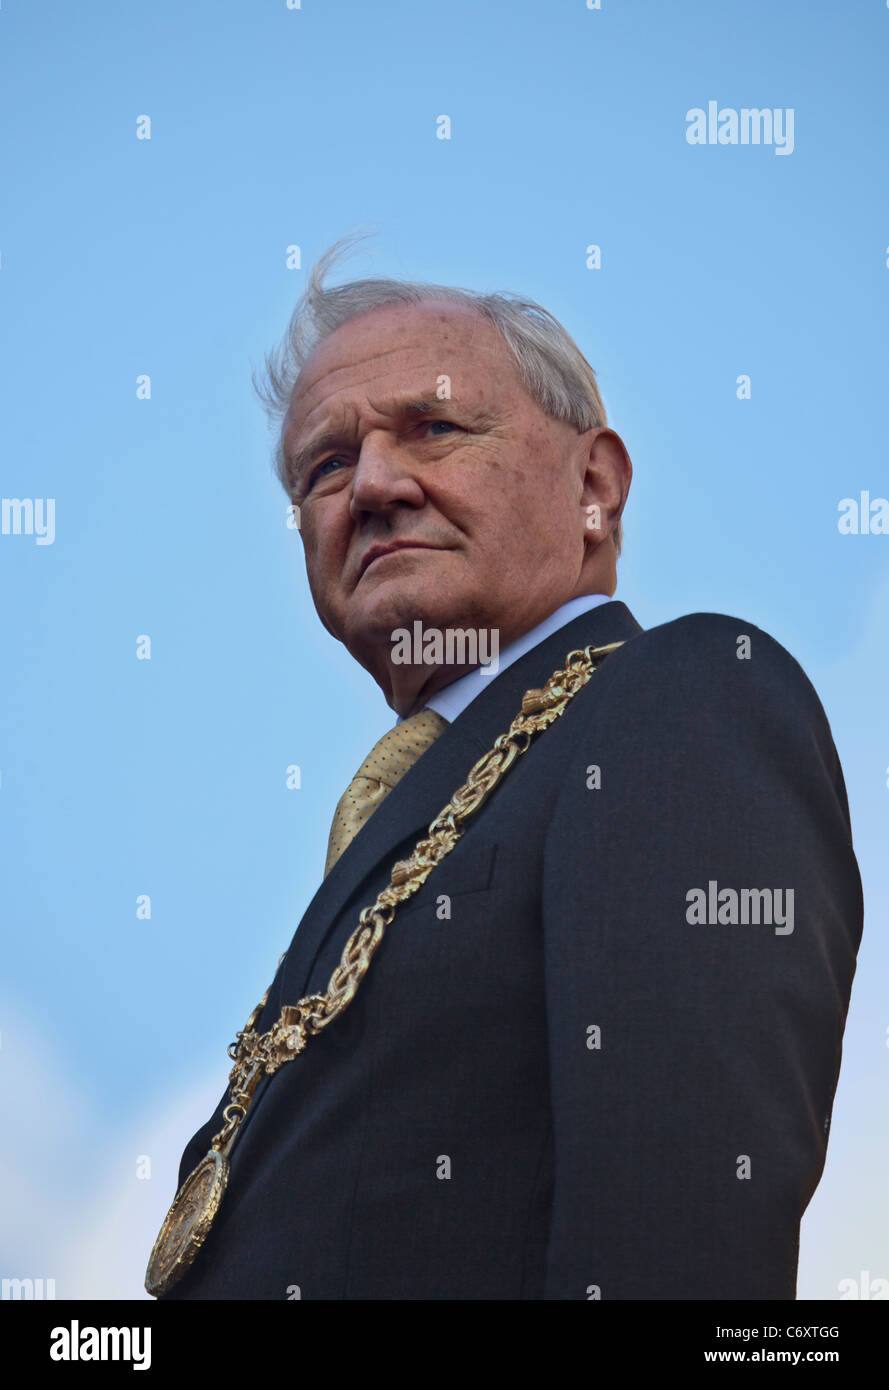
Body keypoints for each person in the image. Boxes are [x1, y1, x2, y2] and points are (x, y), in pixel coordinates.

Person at [149, 236, 863, 1300]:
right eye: (325, 465)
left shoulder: (674, 702)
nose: (374, 486)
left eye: (432, 427)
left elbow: (678, 1236)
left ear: (594, 487)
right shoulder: (403, 818)